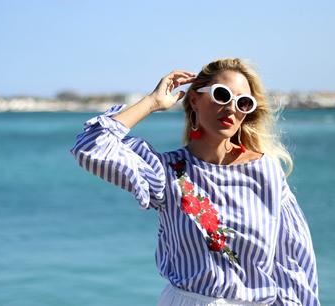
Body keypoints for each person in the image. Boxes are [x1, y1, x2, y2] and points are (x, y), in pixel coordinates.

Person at [70, 58, 320, 305]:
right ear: (194, 99)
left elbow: (293, 265)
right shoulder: (167, 172)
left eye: (243, 102)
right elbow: (91, 147)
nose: (232, 108)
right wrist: (152, 102)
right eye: (222, 95)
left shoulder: (267, 173)